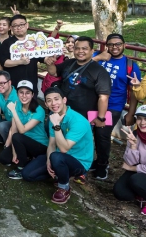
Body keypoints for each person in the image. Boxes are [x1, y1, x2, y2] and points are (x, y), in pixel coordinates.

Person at [45, 37, 112, 178]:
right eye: (77, 48)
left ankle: (79, 168)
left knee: (78, 142)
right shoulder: (68, 63)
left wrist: (101, 117)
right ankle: (59, 163)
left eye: (84, 48)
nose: (80, 51)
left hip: (83, 116)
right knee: (58, 136)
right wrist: (49, 63)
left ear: (92, 51)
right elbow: (53, 72)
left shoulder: (99, 72)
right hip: (62, 111)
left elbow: (103, 97)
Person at [21, 87, 94, 204]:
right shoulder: (53, 116)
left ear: (64, 100)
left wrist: (56, 125)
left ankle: (64, 187)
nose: (53, 103)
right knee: (27, 175)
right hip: (58, 157)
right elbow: (51, 143)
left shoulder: (78, 121)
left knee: (57, 156)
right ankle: (59, 174)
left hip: (78, 161)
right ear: (45, 103)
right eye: (49, 100)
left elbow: (64, 148)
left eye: (56, 99)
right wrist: (48, 162)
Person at [89, 33, 142, 178]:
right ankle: (90, 160)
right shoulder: (97, 56)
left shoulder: (131, 66)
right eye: (111, 44)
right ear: (107, 46)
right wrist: (98, 58)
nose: (115, 47)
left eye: (118, 44)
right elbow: (80, 66)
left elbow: (134, 93)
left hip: (113, 106)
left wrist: (131, 113)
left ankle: (102, 165)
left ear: (124, 45)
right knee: (88, 132)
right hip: (92, 103)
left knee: (102, 134)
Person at [2, 81, 48, 179]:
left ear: (32, 95)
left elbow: (22, 131)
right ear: (17, 94)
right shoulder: (17, 105)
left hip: (39, 145)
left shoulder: (39, 110)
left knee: (18, 136)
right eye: (21, 92)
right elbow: (13, 130)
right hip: (23, 143)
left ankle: (21, 167)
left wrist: (13, 111)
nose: (24, 96)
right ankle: (28, 159)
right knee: (3, 158)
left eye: (27, 93)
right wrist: (15, 153)